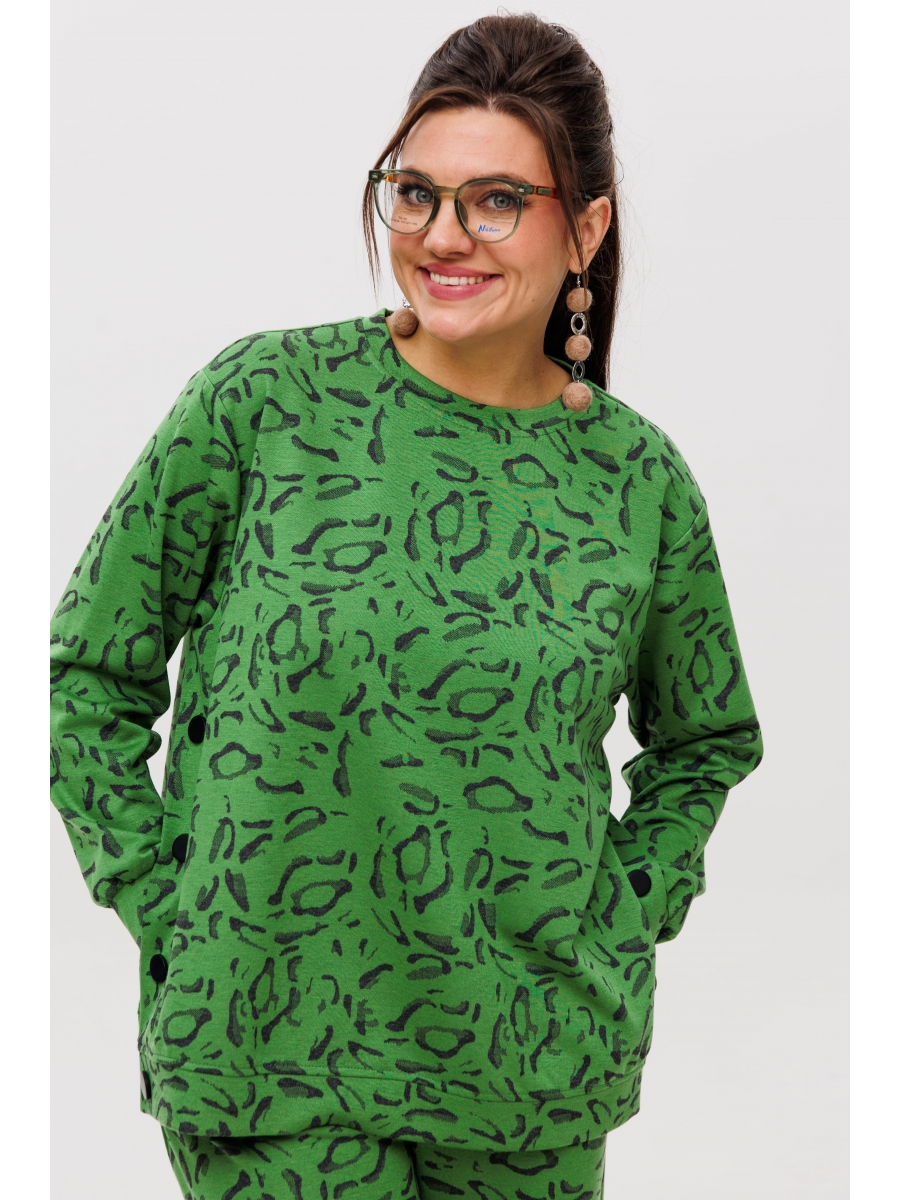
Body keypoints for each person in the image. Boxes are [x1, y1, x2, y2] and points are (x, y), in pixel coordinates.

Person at [49, 13, 763, 1200]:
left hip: (530, 1078)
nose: (442, 235)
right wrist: (171, 902)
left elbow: (705, 741)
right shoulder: (263, 404)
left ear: (585, 228)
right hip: (267, 1058)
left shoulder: (637, 484)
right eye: (415, 193)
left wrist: (621, 913)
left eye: (496, 201)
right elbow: (89, 669)